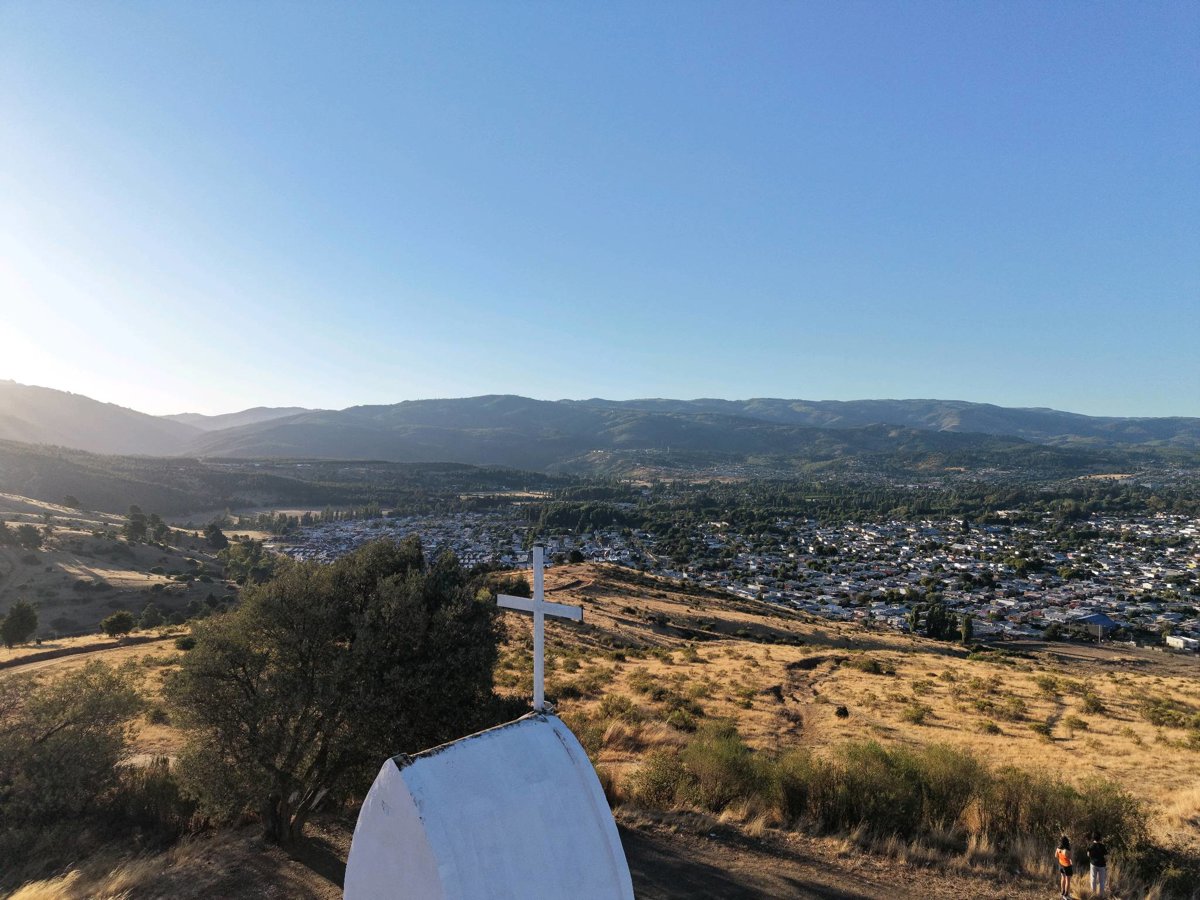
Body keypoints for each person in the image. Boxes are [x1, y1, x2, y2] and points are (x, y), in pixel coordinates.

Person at [1087, 832, 1108, 897]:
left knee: (1093, 879)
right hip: (1102, 865)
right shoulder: (1102, 846)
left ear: (1093, 838)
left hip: (1093, 864)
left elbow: (1088, 855)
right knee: (1102, 881)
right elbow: (1106, 857)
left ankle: (1093, 894)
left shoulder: (1090, 846)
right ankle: (1101, 895)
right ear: (1100, 838)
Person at [1056, 835, 1074, 899]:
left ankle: (1062, 892)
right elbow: (1070, 858)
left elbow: (1056, 856)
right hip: (1067, 866)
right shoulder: (1066, 850)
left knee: (1062, 878)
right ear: (1067, 842)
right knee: (1068, 881)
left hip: (1061, 865)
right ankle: (1067, 895)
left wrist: (1061, 859)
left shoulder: (1058, 848)